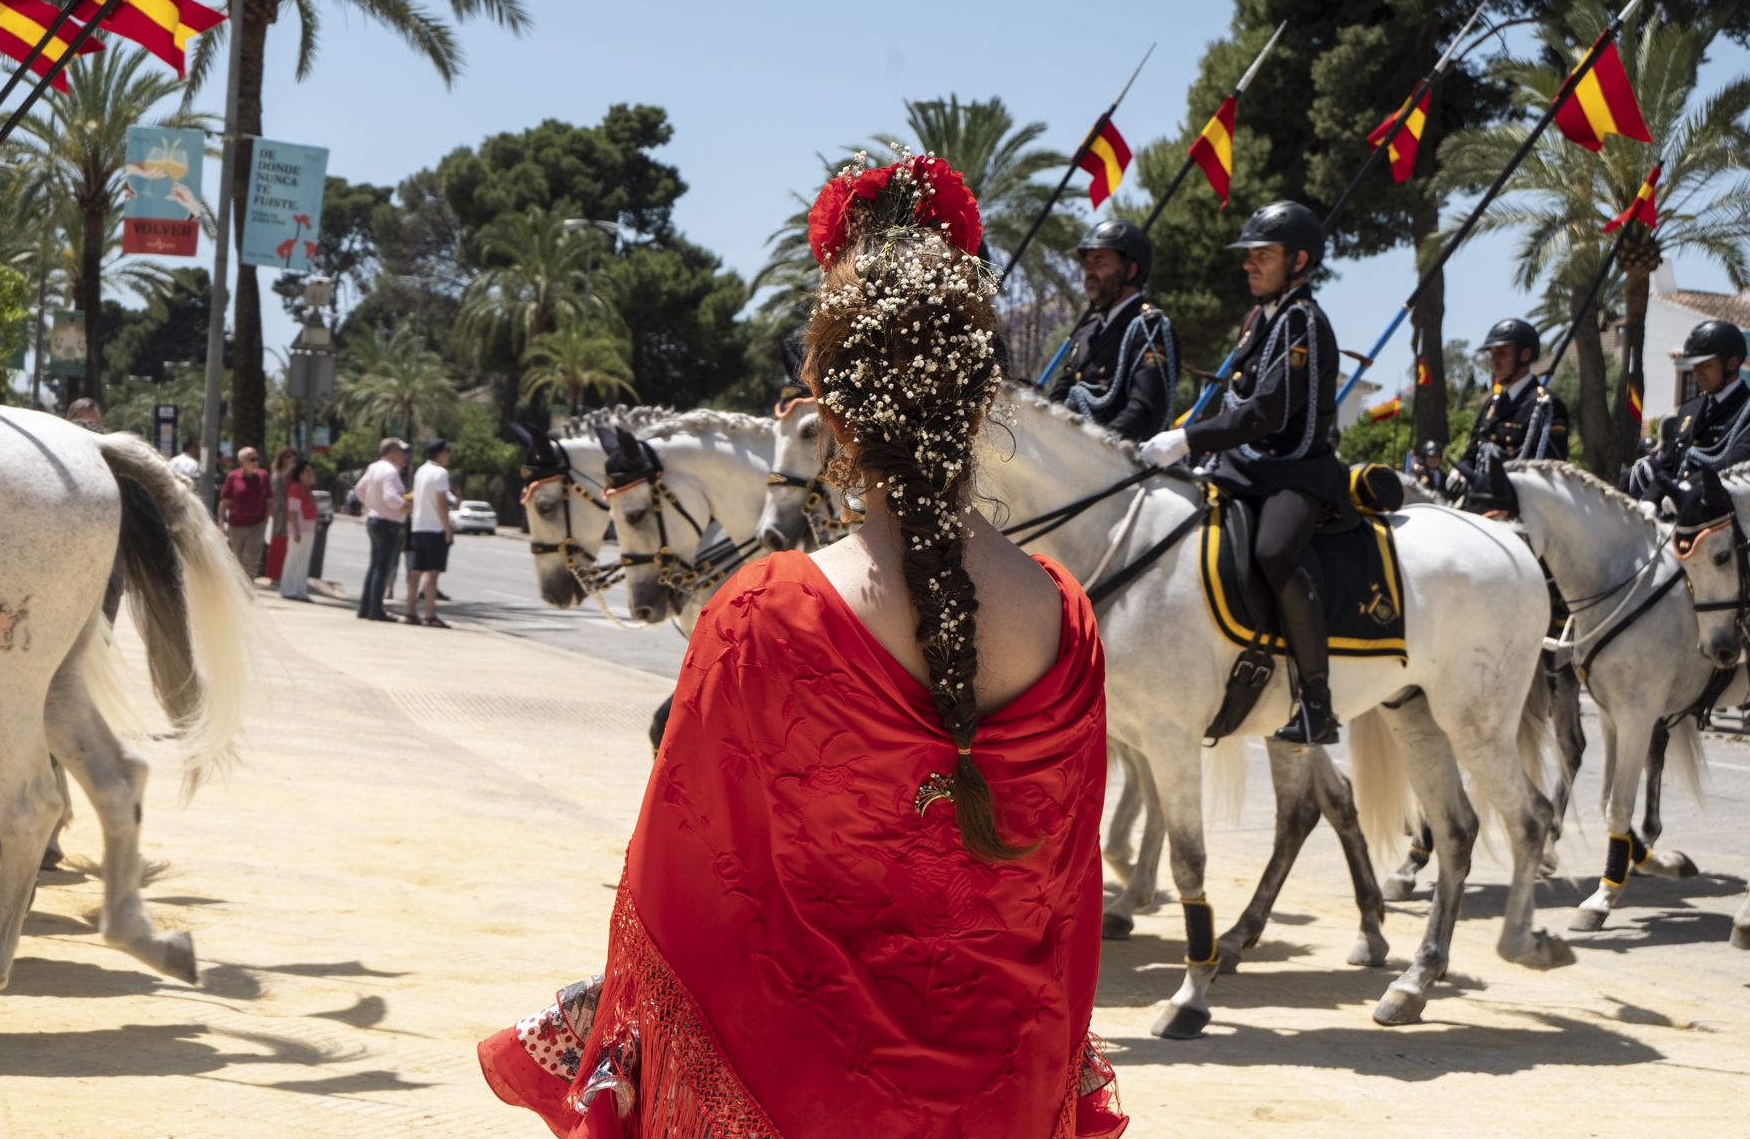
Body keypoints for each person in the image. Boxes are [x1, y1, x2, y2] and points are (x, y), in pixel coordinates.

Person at [478, 154, 1126, 1138]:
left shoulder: (761, 610)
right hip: (1001, 1104)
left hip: (800, 1101)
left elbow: (679, 896)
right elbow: (1065, 914)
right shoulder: (1068, 621)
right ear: (987, 399)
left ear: (825, 416)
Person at [1138, 200, 1348, 746]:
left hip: (1295, 471)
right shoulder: (1261, 318)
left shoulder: (1303, 321)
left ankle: (1318, 704)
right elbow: (1238, 397)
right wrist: (1196, 438)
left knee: (1275, 551)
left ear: (1298, 260)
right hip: (1249, 468)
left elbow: (1269, 412)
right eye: (1249, 254)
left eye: (1263, 254)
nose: (1248, 264)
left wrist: (1189, 437)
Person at [1048, 218, 1177, 442]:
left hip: (1117, 461)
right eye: (1087, 263)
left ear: (1130, 270)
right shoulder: (1086, 332)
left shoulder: (1149, 328)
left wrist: (1097, 445)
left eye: (1099, 262)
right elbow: (1060, 396)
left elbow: (1144, 411)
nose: (1089, 271)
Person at [1629, 319, 1750, 500]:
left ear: (1731, 364)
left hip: (1718, 514)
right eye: (1695, 366)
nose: (1697, 372)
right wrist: (1648, 502)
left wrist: (1688, 486)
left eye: (1706, 365)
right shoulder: (1690, 409)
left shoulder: (1745, 409)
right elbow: (1668, 465)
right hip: (1677, 507)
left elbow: (1734, 462)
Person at [1462, 319, 1568, 463]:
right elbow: (1471, 455)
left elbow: (1550, 466)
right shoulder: (1491, 404)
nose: (1494, 361)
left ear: (1524, 355)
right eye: (1492, 354)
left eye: (1502, 354)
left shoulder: (1546, 405)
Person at [353, 438, 410, 621]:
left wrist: (372, 504)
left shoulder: (374, 467)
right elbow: (391, 497)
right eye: (401, 451)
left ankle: (365, 607)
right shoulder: (390, 471)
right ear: (391, 452)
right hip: (388, 523)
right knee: (382, 568)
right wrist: (406, 506)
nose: (404, 455)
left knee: (374, 566)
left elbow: (359, 490)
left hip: (374, 519)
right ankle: (375, 609)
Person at [405, 439, 454, 627]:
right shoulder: (440, 473)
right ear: (440, 454)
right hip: (435, 528)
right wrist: (448, 528)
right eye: (447, 453)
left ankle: (410, 611)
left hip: (418, 526)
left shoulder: (420, 471)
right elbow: (442, 504)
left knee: (417, 570)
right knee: (432, 573)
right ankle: (430, 614)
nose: (448, 456)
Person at [217, 446, 271, 582]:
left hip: (257, 525)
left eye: (257, 459)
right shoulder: (233, 477)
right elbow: (224, 501)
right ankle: (236, 589)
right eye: (252, 459)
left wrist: (265, 521)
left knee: (250, 559)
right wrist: (221, 522)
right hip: (236, 525)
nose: (255, 462)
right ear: (242, 461)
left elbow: (270, 500)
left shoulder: (263, 476)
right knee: (236, 559)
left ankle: (248, 592)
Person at [279, 458, 319, 601]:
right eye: (306, 471)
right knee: (293, 559)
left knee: (303, 560)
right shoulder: (295, 488)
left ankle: (300, 590)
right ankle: (288, 589)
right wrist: (295, 530)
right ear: (299, 473)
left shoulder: (306, 488)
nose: (310, 474)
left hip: (308, 529)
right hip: (299, 529)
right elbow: (293, 511)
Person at [266, 446, 298, 584]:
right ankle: (275, 575)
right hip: (281, 512)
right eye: (287, 457)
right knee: (279, 540)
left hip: (292, 511)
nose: (290, 460)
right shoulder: (278, 474)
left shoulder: (292, 475)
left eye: (292, 457)